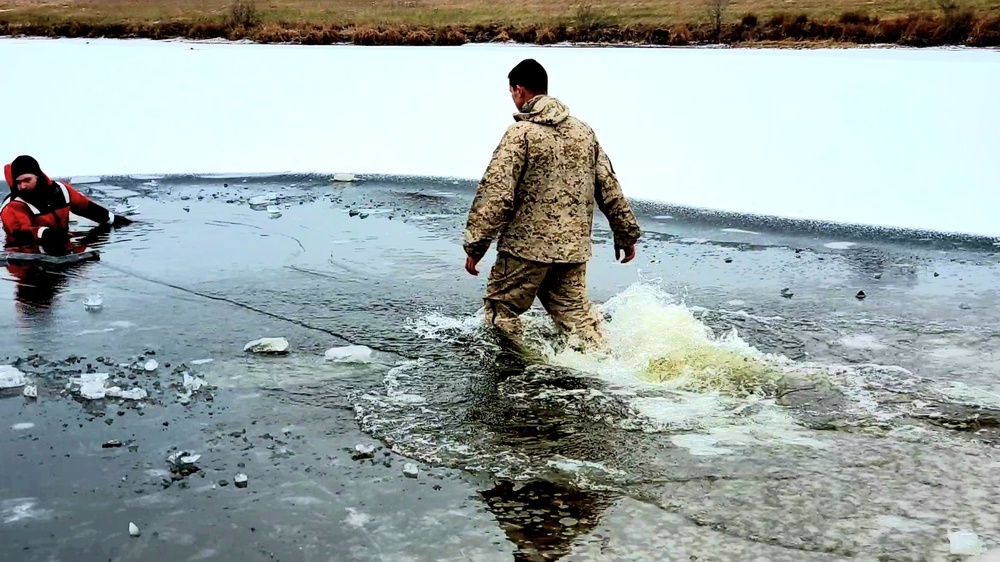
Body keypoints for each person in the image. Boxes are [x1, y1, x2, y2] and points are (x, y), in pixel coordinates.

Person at [463, 58, 641, 354]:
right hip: (572, 251)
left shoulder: (520, 135)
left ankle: (515, 378)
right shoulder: (584, 133)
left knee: (500, 316)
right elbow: (608, 186)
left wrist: (476, 245)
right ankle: (609, 369)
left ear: (519, 90)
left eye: (512, 93)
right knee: (578, 323)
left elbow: (496, 193)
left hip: (525, 250)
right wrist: (626, 234)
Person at [1, 154, 132, 255]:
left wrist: (112, 219)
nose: (22, 186)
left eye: (27, 180)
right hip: (27, 258)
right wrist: (47, 234)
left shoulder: (61, 191)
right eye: (18, 182)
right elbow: (20, 232)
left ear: (38, 176)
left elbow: (86, 207)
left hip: (62, 246)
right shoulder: (13, 205)